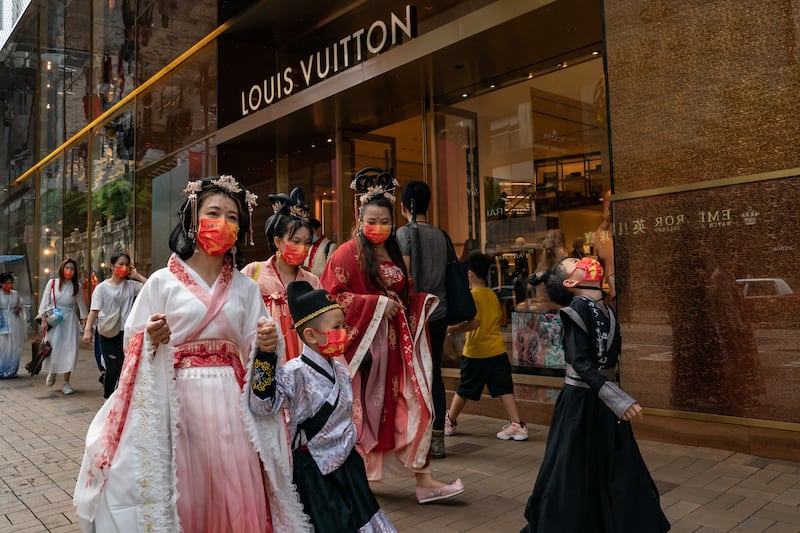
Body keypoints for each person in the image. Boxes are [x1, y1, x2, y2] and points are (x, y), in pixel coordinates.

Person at [73, 175, 308, 532]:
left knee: (234, 486)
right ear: (191, 220)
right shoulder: (160, 283)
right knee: (184, 490)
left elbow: (259, 371)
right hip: (178, 403)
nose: (223, 223)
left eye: (233, 217)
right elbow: (133, 347)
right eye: (214, 212)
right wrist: (152, 339)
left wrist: (267, 349)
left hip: (232, 405)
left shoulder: (246, 289)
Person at [320, 167, 464, 504]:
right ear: (359, 218)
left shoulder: (394, 252)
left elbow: (403, 292)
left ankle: (423, 477)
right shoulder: (345, 254)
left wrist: (419, 303)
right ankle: (356, 477)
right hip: (367, 349)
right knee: (364, 412)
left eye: (386, 221)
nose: (380, 227)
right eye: (373, 220)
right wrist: (373, 304)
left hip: (399, 346)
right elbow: (332, 296)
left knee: (414, 403)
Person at [520, 256, 670, 533]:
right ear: (571, 282)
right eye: (576, 262)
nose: (585, 260)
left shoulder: (606, 308)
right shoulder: (576, 309)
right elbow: (580, 362)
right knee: (573, 470)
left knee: (616, 468)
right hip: (581, 404)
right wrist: (618, 399)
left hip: (604, 402)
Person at [250, 280, 396, 532]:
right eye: (336, 327)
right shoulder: (293, 372)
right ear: (310, 334)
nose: (344, 331)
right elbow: (263, 405)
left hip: (349, 465)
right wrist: (264, 356)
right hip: (315, 471)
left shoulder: (340, 370)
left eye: (343, 325)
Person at [444, 252, 528, 441]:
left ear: (470, 274)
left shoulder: (473, 296)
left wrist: (453, 328)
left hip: (476, 352)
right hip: (497, 350)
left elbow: (474, 323)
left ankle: (449, 420)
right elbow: (497, 318)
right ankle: (517, 425)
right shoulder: (491, 294)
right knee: (504, 388)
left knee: (464, 388)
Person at [396, 180, 450, 458]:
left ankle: (418, 435)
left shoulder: (404, 234)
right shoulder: (441, 235)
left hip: (414, 314)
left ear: (403, 206)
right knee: (435, 374)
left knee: (414, 374)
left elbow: (403, 276)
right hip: (439, 312)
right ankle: (438, 435)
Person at [242, 187, 322, 363]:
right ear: (278, 241)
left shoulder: (312, 281)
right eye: (295, 241)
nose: (302, 248)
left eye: (307, 243)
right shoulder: (253, 272)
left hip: (303, 359)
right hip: (263, 355)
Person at [82, 252, 147, 398]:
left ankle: (119, 398)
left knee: (125, 368)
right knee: (112, 368)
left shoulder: (131, 285)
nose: (123, 267)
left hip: (126, 334)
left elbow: (151, 287)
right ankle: (107, 398)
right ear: (112, 266)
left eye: (126, 264)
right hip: (107, 333)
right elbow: (94, 311)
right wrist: (88, 330)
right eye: (120, 264)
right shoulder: (102, 288)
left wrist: (136, 275)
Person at [37, 258, 88, 395]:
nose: (69, 271)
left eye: (72, 269)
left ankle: (66, 382)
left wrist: (86, 324)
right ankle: (53, 372)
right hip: (54, 319)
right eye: (67, 268)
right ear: (62, 269)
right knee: (53, 348)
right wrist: (43, 319)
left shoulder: (76, 285)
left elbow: (82, 306)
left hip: (70, 320)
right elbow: (44, 302)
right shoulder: (52, 283)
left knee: (70, 350)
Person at [0, 273, 26, 378]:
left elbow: (21, 306)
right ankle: (2, 368)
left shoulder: (15, 294)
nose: (9, 285)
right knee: (3, 346)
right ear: (1, 284)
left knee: (14, 346)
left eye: (11, 283)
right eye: (7, 283)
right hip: (2, 322)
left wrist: (18, 309)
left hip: (14, 321)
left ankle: (12, 369)